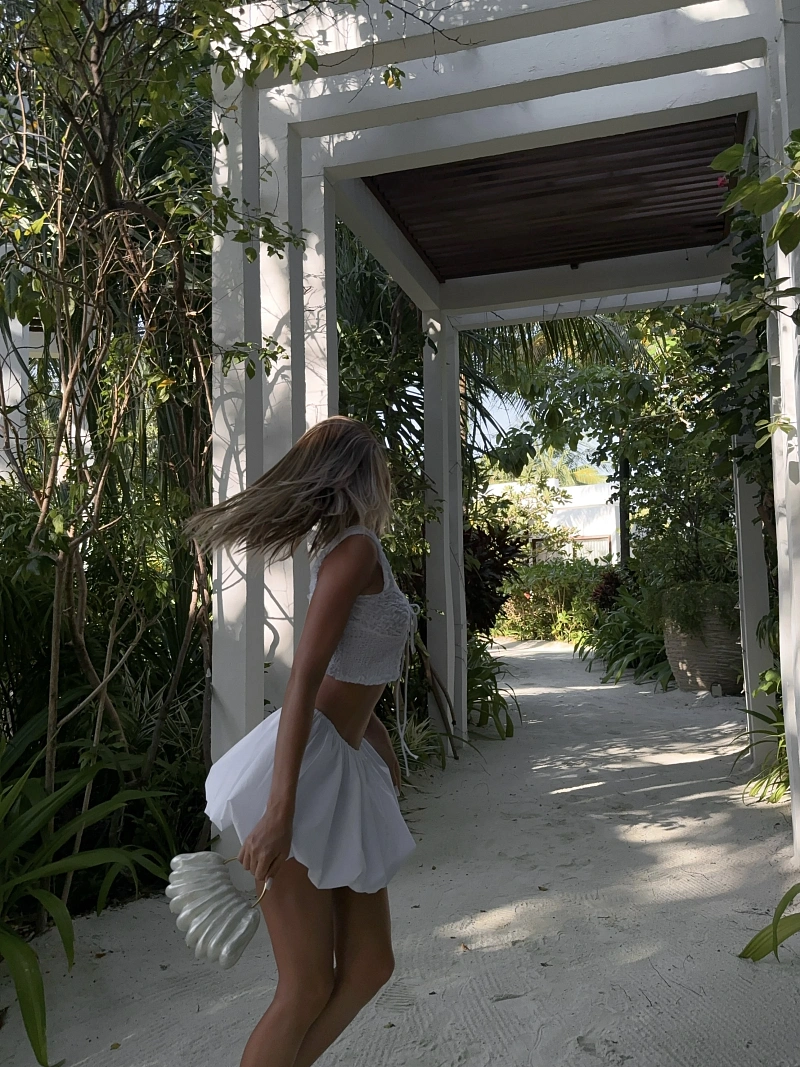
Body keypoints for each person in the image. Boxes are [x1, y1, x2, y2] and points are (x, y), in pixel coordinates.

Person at [186, 416, 417, 1067]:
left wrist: (378, 746)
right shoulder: (354, 549)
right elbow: (305, 680)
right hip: (309, 768)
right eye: (377, 466)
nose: (384, 479)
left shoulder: (351, 549)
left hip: (342, 763)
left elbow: (351, 671)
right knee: (306, 985)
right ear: (358, 474)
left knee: (370, 965)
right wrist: (279, 811)